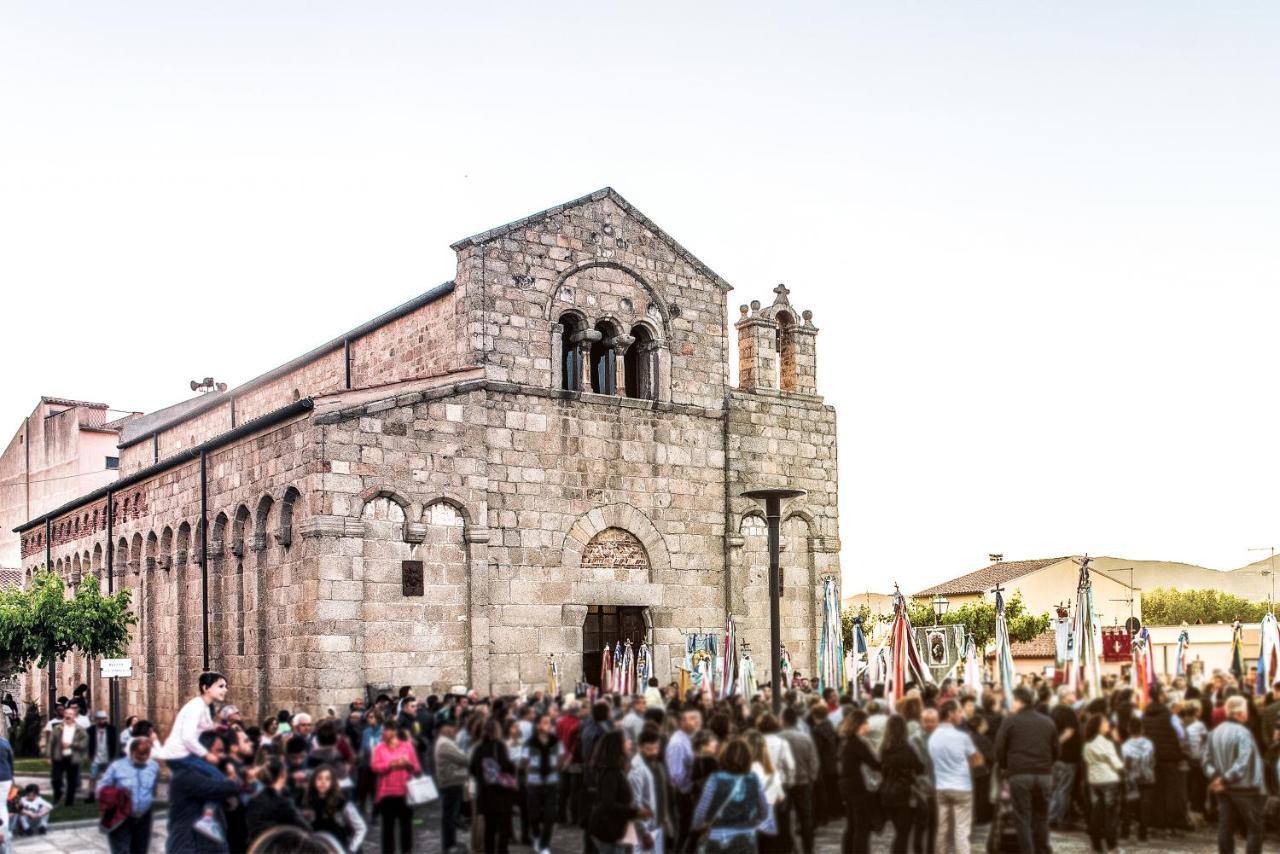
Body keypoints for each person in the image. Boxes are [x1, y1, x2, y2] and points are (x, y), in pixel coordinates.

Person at [993, 686, 1058, 854]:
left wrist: (1005, 767)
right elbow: (1056, 749)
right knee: (1041, 816)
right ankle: (1043, 849)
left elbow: (999, 748)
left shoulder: (1010, 721)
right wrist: (1047, 765)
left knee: (1023, 817)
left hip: (1019, 774)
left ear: (1019, 701)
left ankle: (1028, 851)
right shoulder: (1047, 721)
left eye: (1012, 700)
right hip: (1044, 774)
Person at [1203, 695, 1265, 854]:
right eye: (1246, 710)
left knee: (1226, 827)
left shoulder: (1214, 732)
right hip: (1246, 788)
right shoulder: (1243, 733)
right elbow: (1242, 762)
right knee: (1254, 829)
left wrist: (1216, 777)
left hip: (1225, 789)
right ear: (1240, 713)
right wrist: (1223, 779)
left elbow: (1206, 761)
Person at [165, 731, 243, 854]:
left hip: (207, 845)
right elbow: (216, 789)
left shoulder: (210, 775)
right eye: (219, 750)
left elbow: (231, 803)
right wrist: (233, 780)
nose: (222, 756)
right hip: (189, 846)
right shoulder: (187, 775)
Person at [693, 737, 769, 853]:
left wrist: (699, 825)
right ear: (748, 758)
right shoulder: (754, 779)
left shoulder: (715, 779)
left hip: (719, 837)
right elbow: (764, 811)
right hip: (748, 837)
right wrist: (753, 822)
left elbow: (701, 810)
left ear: (724, 757)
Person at [928, 700, 980, 854]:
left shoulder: (933, 737)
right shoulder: (962, 737)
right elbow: (977, 759)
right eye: (958, 711)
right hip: (962, 787)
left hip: (942, 787)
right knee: (961, 830)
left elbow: (933, 759)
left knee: (943, 828)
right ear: (950, 714)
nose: (961, 714)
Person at [587, 730, 648, 854]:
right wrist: (635, 812)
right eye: (626, 740)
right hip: (609, 830)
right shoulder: (611, 772)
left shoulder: (617, 769)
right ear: (617, 746)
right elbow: (608, 803)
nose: (630, 742)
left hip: (617, 828)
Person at [99, 736, 160, 854]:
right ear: (132, 752)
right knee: (121, 851)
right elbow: (102, 787)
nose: (143, 758)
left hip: (143, 816)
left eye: (146, 755)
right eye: (139, 755)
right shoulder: (117, 767)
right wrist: (117, 796)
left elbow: (153, 789)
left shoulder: (153, 766)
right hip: (121, 816)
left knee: (140, 850)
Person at [371, 724, 422, 854]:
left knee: (406, 827)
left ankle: (407, 850)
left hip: (405, 792)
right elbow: (375, 767)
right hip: (386, 793)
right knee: (387, 828)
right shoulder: (379, 748)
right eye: (382, 731)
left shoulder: (407, 746)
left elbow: (417, 768)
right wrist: (391, 764)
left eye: (385, 731)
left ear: (393, 731)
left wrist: (407, 764)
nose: (383, 734)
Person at [161, 672, 228, 769]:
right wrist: (207, 755)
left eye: (225, 686)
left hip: (186, 754)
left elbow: (206, 725)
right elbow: (187, 737)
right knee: (215, 778)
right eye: (221, 686)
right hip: (179, 755)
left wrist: (217, 726)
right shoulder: (196, 707)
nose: (225, 690)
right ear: (206, 688)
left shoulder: (204, 705)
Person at [470, 718, 517, 854]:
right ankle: (503, 850)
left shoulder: (478, 748)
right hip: (501, 793)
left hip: (485, 794)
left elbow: (472, 769)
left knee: (489, 829)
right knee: (503, 828)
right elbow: (506, 767)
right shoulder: (500, 746)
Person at [879, 714, 924, 854]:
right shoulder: (906, 749)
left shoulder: (884, 749)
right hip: (903, 793)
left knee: (899, 831)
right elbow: (919, 767)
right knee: (903, 833)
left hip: (887, 792)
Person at [838, 709, 880, 854]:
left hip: (847, 788)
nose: (868, 727)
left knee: (851, 826)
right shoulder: (858, 743)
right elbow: (875, 763)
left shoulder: (847, 741)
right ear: (859, 725)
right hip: (859, 789)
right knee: (862, 828)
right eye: (866, 723)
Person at [779, 706, 819, 854]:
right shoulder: (805, 738)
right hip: (803, 782)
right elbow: (814, 760)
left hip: (784, 784)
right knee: (805, 817)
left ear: (783, 720)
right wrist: (811, 778)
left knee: (784, 817)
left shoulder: (779, 738)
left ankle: (787, 847)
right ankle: (809, 848)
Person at [1082, 714, 1123, 854]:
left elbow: (1087, 762)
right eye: (1105, 723)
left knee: (1096, 814)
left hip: (1094, 781)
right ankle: (1112, 846)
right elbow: (1116, 763)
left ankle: (1096, 845)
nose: (1108, 725)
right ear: (1099, 726)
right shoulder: (1107, 743)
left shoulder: (1087, 744)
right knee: (1110, 816)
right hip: (1109, 780)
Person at [302, 764, 367, 852]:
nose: (323, 782)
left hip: (338, 847)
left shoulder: (341, 802)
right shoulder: (308, 802)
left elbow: (360, 827)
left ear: (333, 781)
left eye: (327, 779)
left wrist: (351, 849)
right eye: (319, 778)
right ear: (314, 781)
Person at [525, 713, 561, 854]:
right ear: (538, 725)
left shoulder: (555, 741)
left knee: (550, 816)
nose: (548, 726)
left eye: (549, 723)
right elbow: (525, 762)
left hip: (551, 781)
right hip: (535, 782)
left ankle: (544, 844)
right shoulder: (530, 742)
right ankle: (536, 835)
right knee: (534, 814)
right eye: (545, 723)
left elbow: (559, 760)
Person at [666, 705, 700, 851]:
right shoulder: (678, 743)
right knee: (685, 831)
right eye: (691, 719)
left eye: (695, 718)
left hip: (688, 792)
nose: (695, 722)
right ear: (682, 722)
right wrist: (689, 790)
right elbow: (676, 774)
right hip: (684, 794)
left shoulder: (688, 738)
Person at [434, 721, 469, 853]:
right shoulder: (445, 743)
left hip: (452, 781)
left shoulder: (446, 741)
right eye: (452, 727)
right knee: (449, 816)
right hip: (451, 782)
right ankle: (449, 845)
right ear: (444, 728)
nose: (454, 730)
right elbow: (463, 759)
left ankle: (451, 842)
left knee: (451, 815)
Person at [1119, 717, 1154, 842]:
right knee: (1145, 806)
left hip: (1131, 779)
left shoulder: (1125, 746)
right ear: (1142, 729)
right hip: (1147, 778)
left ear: (1129, 730)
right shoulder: (1149, 744)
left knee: (1128, 806)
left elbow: (1124, 764)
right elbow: (1151, 760)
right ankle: (1142, 834)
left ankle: (1125, 832)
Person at [48, 703, 87, 806]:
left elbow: (84, 743)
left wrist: (71, 744)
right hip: (59, 757)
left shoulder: (80, 729)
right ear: (64, 715)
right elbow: (52, 742)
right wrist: (49, 756)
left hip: (73, 758)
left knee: (72, 781)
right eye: (67, 714)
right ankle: (57, 796)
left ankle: (69, 801)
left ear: (74, 716)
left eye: (71, 714)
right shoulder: (57, 728)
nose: (68, 716)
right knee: (56, 779)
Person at [88, 710, 120, 802]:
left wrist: (114, 756)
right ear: (96, 720)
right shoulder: (91, 730)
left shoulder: (111, 730)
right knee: (93, 777)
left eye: (104, 719)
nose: (102, 721)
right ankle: (91, 794)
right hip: (96, 757)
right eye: (100, 719)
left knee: (109, 777)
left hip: (108, 756)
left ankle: (109, 794)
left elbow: (115, 743)